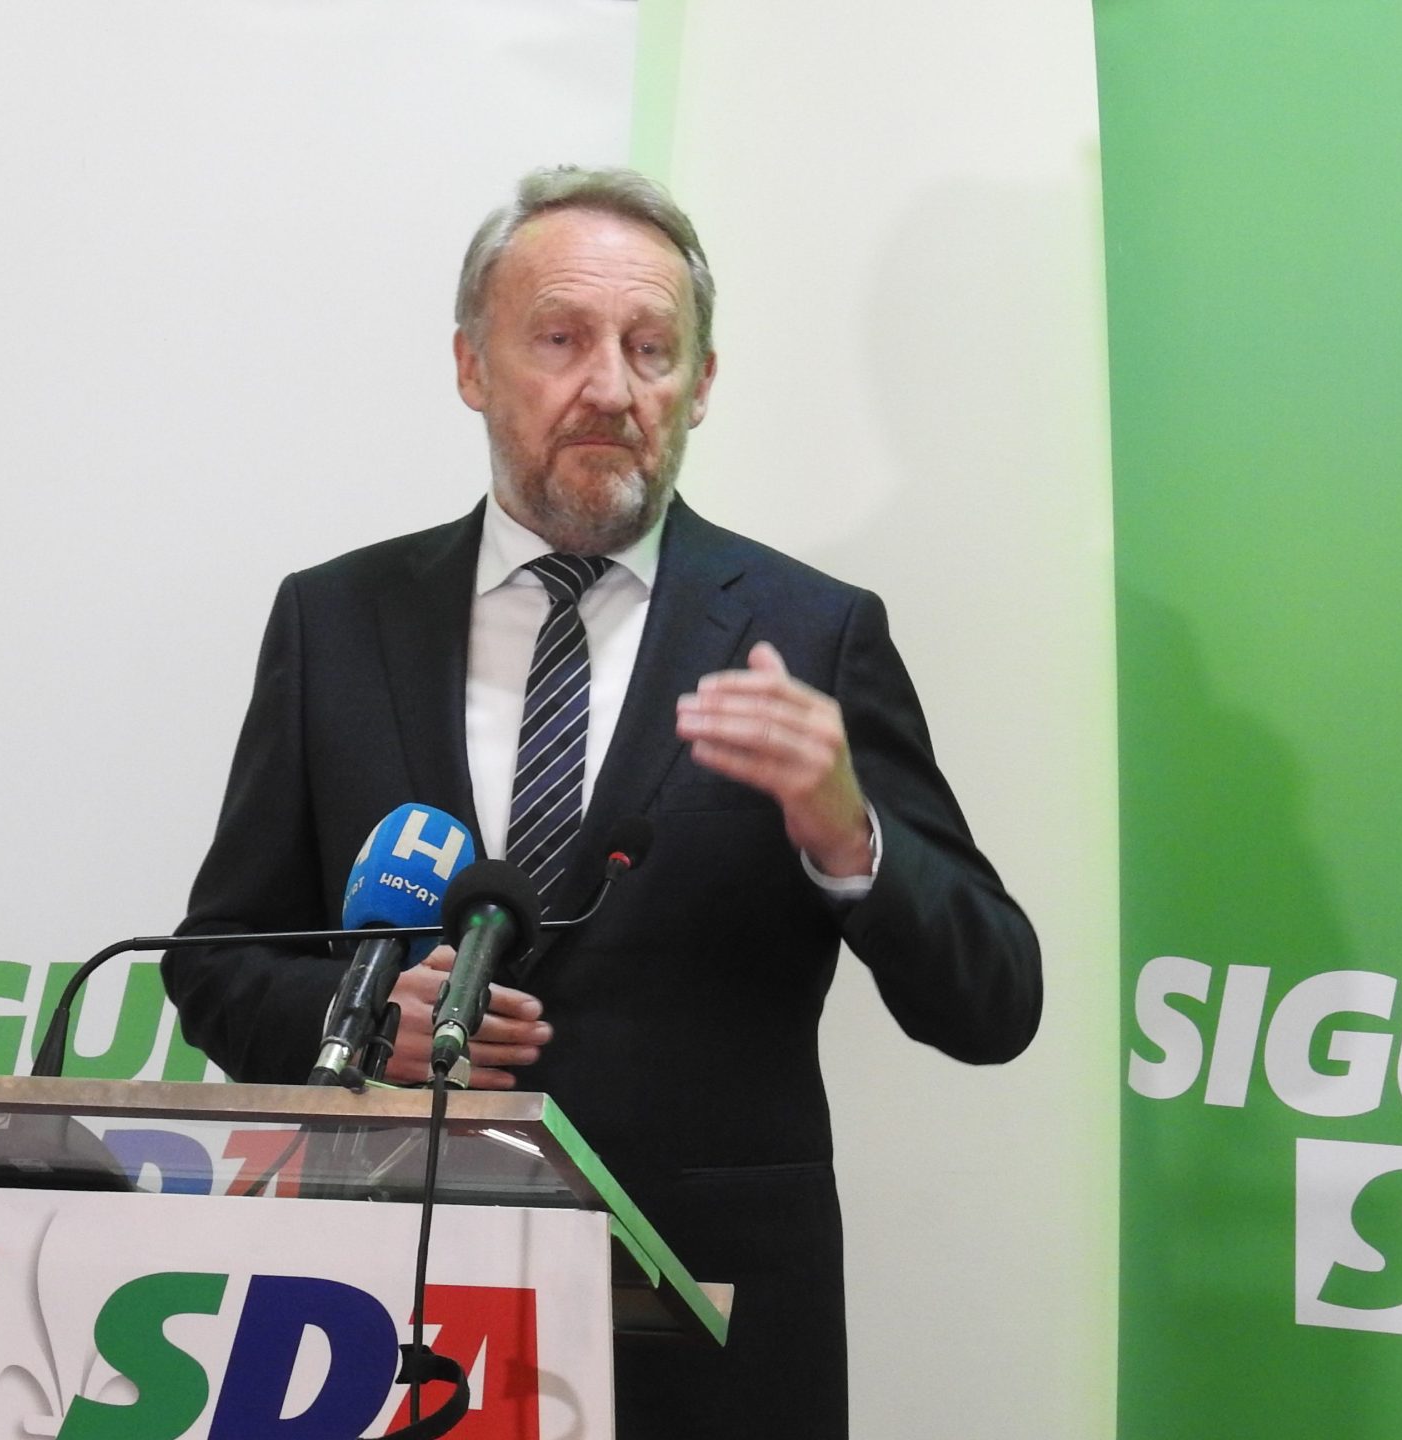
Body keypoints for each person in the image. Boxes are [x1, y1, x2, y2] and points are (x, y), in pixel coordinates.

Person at [164, 165, 1040, 1437]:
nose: (611, 388)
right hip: (389, 1319)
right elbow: (216, 962)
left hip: (708, 1332)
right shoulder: (337, 620)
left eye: (650, 349)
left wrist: (851, 839)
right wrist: (357, 1018)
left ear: (701, 383)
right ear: (472, 366)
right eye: (561, 339)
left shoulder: (810, 634)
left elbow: (995, 1001)